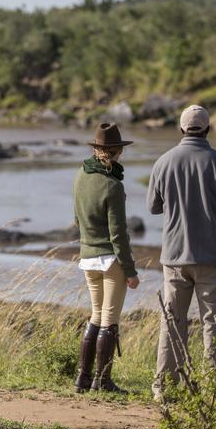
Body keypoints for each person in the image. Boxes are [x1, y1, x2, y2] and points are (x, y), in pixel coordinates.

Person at [148, 105, 216, 401]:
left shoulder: (163, 162)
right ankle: (213, 390)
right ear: (208, 129)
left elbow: (153, 206)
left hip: (175, 257)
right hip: (213, 257)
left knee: (172, 321)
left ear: (181, 129)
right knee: (213, 322)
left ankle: (164, 387)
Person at [72, 122, 140, 394]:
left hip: (87, 257)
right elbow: (119, 234)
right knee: (109, 319)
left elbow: (77, 219)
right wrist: (130, 270)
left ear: (95, 148)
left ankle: (83, 379)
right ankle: (103, 381)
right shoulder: (112, 185)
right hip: (110, 259)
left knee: (96, 316)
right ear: (115, 151)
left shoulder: (80, 175)